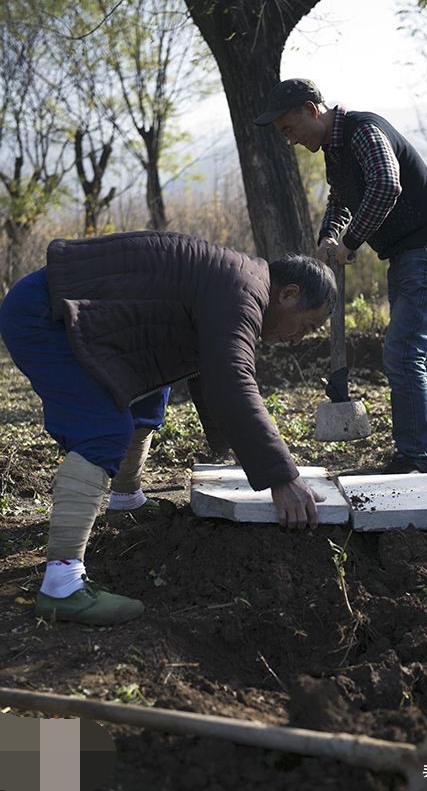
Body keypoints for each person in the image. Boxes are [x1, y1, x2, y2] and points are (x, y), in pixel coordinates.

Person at [0, 230, 336, 625]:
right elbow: (231, 377)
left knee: (149, 393)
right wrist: (282, 477)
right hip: (49, 312)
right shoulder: (243, 290)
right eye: (308, 325)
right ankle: (62, 585)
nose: (300, 338)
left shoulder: (241, 283)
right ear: (289, 294)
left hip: (94, 314)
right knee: (102, 429)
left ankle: (125, 502)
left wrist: (236, 452)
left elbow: (210, 375)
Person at [255, 78, 427, 474]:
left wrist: (349, 242)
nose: (291, 140)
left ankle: (417, 459)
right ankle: (426, 455)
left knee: (404, 352)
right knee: (413, 355)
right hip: (406, 257)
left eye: (290, 129)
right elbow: (340, 199)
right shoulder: (336, 151)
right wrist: (328, 237)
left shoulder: (363, 130)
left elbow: (386, 185)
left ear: (311, 110)